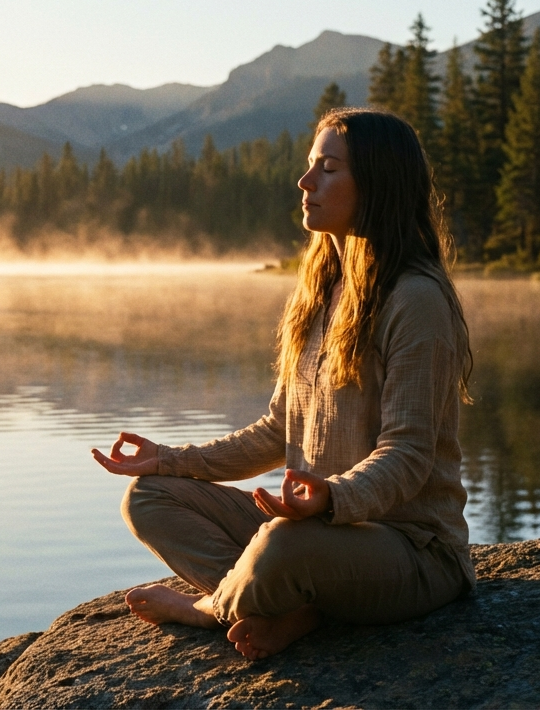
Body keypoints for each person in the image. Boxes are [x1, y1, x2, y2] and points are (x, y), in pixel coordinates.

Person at [92, 108, 475, 660]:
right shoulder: (320, 292)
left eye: (328, 169)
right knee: (148, 498)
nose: (305, 182)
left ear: (377, 182)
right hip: (317, 526)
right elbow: (278, 430)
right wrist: (168, 461)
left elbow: (409, 453)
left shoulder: (415, 300)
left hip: (411, 549)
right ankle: (287, 606)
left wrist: (331, 498)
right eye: (309, 167)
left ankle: (210, 608)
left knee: (280, 544)